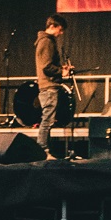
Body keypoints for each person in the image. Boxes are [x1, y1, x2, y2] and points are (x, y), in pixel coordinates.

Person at [33, 13, 73, 150]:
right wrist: (61, 72)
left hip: (47, 85)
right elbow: (46, 67)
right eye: (60, 30)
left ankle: (44, 149)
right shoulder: (47, 41)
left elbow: (47, 64)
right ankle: (43, 149)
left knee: (48, 120)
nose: (61, 33)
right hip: (49, 86)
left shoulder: (45, 41)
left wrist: (61, 68)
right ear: (52, 26)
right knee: (47, 120)